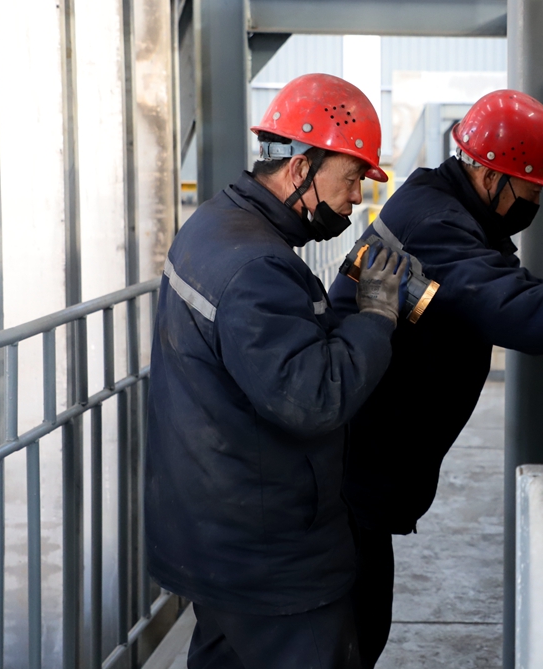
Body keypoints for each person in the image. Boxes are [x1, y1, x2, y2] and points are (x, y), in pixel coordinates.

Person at [327, 89, 543, 667]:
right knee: (348, 636)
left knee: (360, 628)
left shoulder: (451, 212)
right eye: (530, 189)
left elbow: (513, 289)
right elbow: (513, 307)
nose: (534, 202)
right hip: (350, 473)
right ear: (490, 176)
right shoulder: (437, 223)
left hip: (362, 467)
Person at [144, 73, 408, 669]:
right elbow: (313, 397)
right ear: (300, 169)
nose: (356, 199)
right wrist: (376, 316)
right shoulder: (258, 266)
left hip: (214, 531)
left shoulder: (216, 224)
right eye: (351, 178)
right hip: (267, 557)